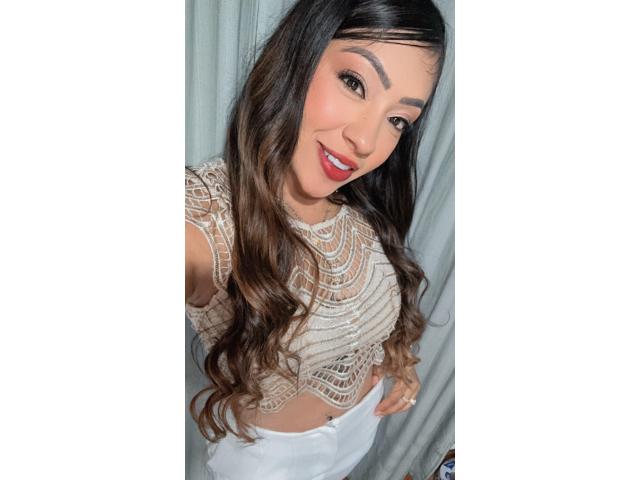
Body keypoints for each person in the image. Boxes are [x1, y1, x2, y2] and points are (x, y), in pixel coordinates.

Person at [185, 0, 446, 478]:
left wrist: (400, 361)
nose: (366, 141)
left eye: (398, 120)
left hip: (361, 428)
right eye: (354, 83)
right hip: (270, 459)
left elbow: (369, 311)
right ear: (298, 58)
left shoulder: (362, 205)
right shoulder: (211, 214)